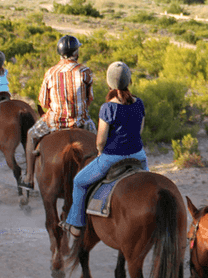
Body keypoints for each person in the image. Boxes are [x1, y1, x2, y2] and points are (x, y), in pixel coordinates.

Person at [59, 61, 148, 237]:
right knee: (146, 184)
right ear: (129, 82)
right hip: (139, 156)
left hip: (112, 158)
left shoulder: (108, 107)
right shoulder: (139, 104)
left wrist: (100, 151)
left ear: (109, 84)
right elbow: (140, 131)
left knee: (79, 182)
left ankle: (75, 224)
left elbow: (100, 141)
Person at [19, 35, 95, 190]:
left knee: (31, 135)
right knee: (99, 144)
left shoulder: (50, 72)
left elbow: (43, 102)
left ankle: (28, 177)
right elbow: (89, 99)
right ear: (75, 52)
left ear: (60, 53)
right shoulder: (85, 72)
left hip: (54, 122)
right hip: (80, 122)